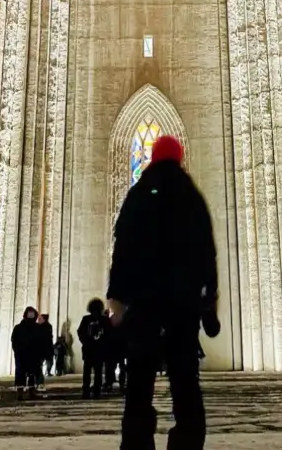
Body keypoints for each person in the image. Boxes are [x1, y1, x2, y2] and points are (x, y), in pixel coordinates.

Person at [108, 134, 218, 450]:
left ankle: (137, 443)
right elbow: (206, 252)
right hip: (182, 306)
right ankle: (186, 441)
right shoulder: (191, 196)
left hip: (145, 306)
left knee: (139, 384)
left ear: (153, 158)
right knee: (185, 382)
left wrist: (118, 297)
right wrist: (208, 296)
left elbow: (123, 248)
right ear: (179, 158)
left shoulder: (139, 194)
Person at [78, 299, 110, 399]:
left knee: (87, 372)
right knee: (98, 372)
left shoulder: (86, 319)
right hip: (99, 350)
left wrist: (85, 342)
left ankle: (86, 391)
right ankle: (97, 391)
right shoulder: (104, 319)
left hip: (88, 349)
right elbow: (109, 334)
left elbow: (80, 332)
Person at [11, 307, 41, 400]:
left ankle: (28, 392)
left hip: (30, 354)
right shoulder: (20, 328)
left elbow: (40, 341)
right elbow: (14, 340)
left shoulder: (36, 328)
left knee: (30, 374)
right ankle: (22, 393)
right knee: (23, 374)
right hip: (24, 354)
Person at [105, 316, 127, 394]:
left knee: (112, 367)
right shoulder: (123, 321)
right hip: (120, 347)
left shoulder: (110, 321)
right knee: (121, 367)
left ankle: (110, 384)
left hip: (113, 347)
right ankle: (121, 384)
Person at [39, 313, 54, 381]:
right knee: (41, 361)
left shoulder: (47, 326)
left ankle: (47, 372)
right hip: (43, 346)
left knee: (49, 361)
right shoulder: (39, 326)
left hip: (45, 346)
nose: (39, 320)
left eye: (40, 318)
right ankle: (42, 373)